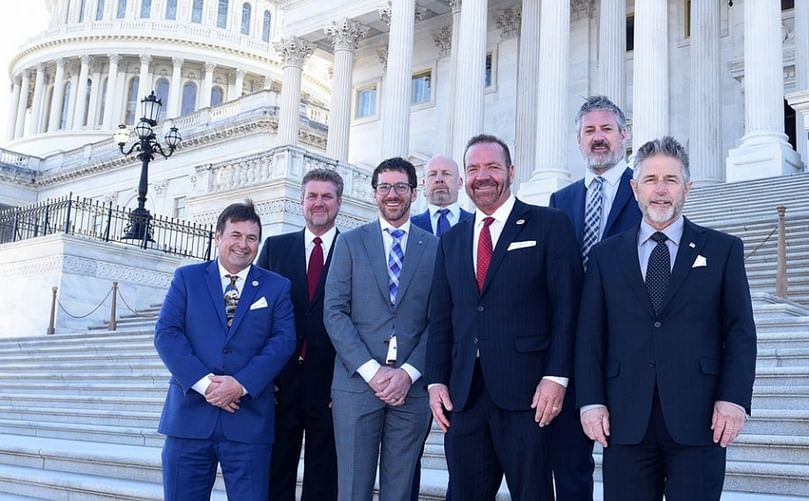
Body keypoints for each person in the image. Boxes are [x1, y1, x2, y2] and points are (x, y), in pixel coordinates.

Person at [575, 136, 757, 501]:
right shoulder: (604, 256)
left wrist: (734, 399)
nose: (660, 190)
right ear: (634, 188)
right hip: (625, 421)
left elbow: (740, 332)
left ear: (687, 188)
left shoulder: (722, 250)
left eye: (671, 180)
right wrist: (591, 401)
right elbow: (590, 336)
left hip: (700, 420)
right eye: (651, 179)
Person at [426, 134, 582, 501]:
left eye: (492, 167)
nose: (483, 176)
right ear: (464, 179)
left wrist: (556, 377)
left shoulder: (549, 224)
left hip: (529, 396)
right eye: (474, 169)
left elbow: (568, 307)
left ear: (511, 171)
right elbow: (442, 318)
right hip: (464, 397)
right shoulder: (451, 240)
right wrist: (435, 381)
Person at [154, 200, 296, 501]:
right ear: (218, 236)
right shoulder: (187, 279)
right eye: (236, 235)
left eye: (252, 238)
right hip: (189, 419)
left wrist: (240, 385)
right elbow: (167, 335)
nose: (243, 244)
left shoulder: (277, 287)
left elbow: (283, 342)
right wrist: (207, 385)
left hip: (249, 422)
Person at [324, 157, 438, 501]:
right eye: (385, 187)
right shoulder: (350, 243)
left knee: (400, 490)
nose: (392, 194)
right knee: (353, 488)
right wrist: (373, 372)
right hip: (357, 386)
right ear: (374, 194)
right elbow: (334, 313)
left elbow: (440, 320)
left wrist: (408, 373)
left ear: (413, 193)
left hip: (412, 391)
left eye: (400, 187)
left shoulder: (434, 247)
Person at [547, 95, 641, 501]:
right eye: (589, 131)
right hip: (571, 351)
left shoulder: (646, 191)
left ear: (624, 135)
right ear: (578, 140)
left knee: (629, 468)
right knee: (569, 468)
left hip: (628, 350)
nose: (598, 138)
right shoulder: (560, 201)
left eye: (606, 129)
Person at [257, 168, 343, 501]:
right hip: (282, 382)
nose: (318, 203)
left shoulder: (354, 248)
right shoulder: (276, 248)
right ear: (301, 201)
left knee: (324, 478)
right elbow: (258, 315)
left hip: (332, 384)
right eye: (312, 196)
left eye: (326, 196)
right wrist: (265, 374)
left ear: (339, 202)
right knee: (276, 473)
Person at [411, 154, 473, 236]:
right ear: (423, 183)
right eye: (432, 174)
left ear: (460, 182)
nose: (439, 179)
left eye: (446, 173)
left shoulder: (475, 224)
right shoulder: (410, 226)